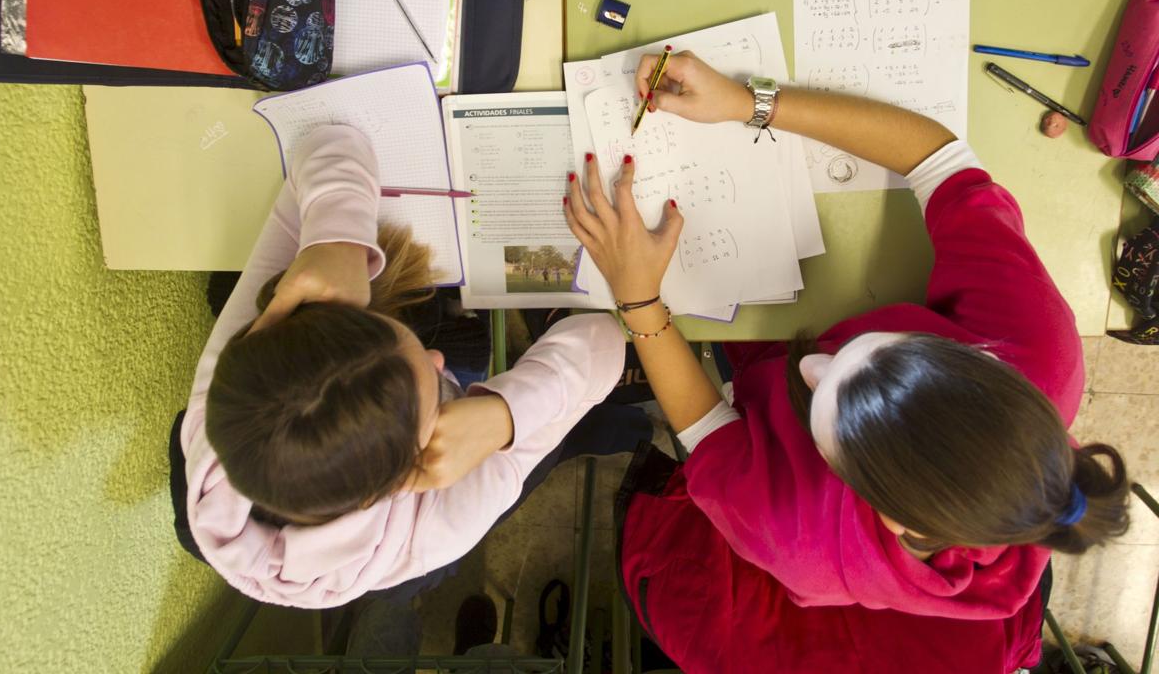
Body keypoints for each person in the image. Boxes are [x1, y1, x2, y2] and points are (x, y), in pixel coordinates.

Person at [564, 52, 1132, 670]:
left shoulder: (795, 533)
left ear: (886, 516)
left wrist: (640, 298)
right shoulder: (1039, 354)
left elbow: (707, 429)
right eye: (875, 350)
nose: (810, 364)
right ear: (979, 363)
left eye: (825, 409)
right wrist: (746, 103)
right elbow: (939, 160)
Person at [178, 123, 644, 608]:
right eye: (426, 373)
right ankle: (580, 435)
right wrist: (504, 417)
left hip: (294, 477)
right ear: (409, 471)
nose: (434, 359)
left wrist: (332, 244)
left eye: (393, 334)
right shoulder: (445, 520)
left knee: (468, 329)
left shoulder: (241, 391)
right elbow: (606, 340)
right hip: (426, 519)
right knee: (505, 378)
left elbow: (329, 142)